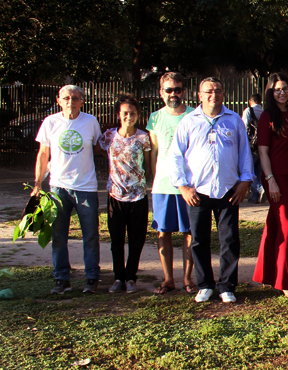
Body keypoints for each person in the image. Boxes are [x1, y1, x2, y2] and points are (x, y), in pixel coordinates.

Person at [169, 77, 254, 304]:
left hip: (228, 190)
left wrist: (245, 182)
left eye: (217, 90)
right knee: (199, 240)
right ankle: (205, 285)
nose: (213, 95)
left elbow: (245, 153)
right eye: (208, 91)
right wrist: (183, 186)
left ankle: (227, 286)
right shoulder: (188, 121)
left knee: (229, 240)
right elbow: (175, 156)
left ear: (223, 93)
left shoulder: (234, 120)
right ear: (199, 95)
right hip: (198, 191)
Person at [33, 85, 102, 294]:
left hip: (86, 187)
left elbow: (99, 148)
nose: (70, 102)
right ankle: (61, 278)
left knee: (90, 235)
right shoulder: (50, 122)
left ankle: (92, 278)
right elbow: (43, 155)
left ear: (82, 101)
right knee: (58, 235)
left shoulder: (90, 122)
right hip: (58, 187)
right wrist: (37, 183)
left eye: (75, 98)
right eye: (66, 98)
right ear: (58, 100)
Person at [253, 73, 288, 297]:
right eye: (277, 89)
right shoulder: (266, 116)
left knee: (274, 224)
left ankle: (266, 273)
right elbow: (263, 152)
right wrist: (270, 179)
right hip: (276, 177)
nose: (282, 92)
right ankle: (286, 282)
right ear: (270, 92)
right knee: (286, 226)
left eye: (285, 88)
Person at [147, 71, 196, 295]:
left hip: (189, 184)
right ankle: (168, 279)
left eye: (177, 89)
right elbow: (155, 152)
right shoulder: (155, 118)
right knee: (163, 232)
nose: (173, 94)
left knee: (190, 232)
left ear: (184, 92)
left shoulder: (194, 115)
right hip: (163, 185)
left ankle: (187, 278)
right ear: (161, 93)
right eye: (168, 90)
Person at [99, 94, 151, 294]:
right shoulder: (109, 135)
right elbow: (100, 149)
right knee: (116, 240)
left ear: (138, 115)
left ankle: (131, 278)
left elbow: (147, 162)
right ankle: (118, 277)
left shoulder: (143, 137)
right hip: (115, 194)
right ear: (119, 114)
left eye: (133, 113)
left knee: (136, 239)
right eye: (125, 113)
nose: (129, 116)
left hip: (138, 195)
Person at [242, 93, 265, 204]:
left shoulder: (248, 111)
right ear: (260, 101)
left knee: (251, 171)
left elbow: (244, 127)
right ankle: (255, 197)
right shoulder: (264, 112)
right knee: (259, 171)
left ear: (250, 101)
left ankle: (260, 189)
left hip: (251, 146)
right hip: (263, 146)